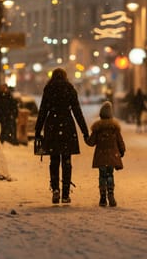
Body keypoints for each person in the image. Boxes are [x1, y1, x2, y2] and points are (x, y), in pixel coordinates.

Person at [34, 68, 90, 204]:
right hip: (67, 125)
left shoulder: (49, 89)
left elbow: (42, 110)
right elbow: (77, 111)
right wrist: (84, 131)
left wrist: (37, 131)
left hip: (52, 125)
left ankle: (55, 190)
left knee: (54, 160)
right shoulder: (70, 89)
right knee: (67, 161)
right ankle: (65, 193)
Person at [86, 101, 126, 207]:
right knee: (110, 175)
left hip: (101, 156)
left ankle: (103, 197)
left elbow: (91, 142)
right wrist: (122, 151)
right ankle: (111, 194)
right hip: (112, 157)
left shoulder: (97, 129)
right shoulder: (115, 129)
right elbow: (120, 142)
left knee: (102, 176)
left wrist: (86, 137)